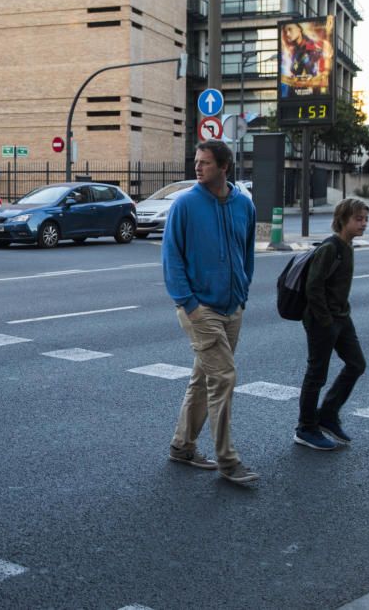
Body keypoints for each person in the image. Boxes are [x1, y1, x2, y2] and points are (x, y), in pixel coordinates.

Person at [162, 140, 259, 485]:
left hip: (232, 306)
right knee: (224, 378)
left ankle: (182, 446)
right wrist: (189, 304)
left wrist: (242, 292)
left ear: (224, 167)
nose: (197, 167)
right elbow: (171, 258)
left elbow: (246, 251)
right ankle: (228, 460)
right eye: (196, 161)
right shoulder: (185, 204)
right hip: (200, 308)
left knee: (204, 379)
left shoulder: (244, 206)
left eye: (204, 163)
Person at [294, 198, 369, 450]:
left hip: (341, 317)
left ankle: (327, 414)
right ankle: (305, 428)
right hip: (322, 319)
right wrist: (325, 320)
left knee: (357, 364)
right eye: (358, 219)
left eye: (366, 219)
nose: (364, 224)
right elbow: (313, 287)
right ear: (343, 219)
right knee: (316, 374)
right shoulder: (331, 247)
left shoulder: (348, 246)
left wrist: (340, 315)